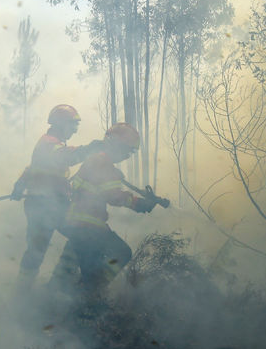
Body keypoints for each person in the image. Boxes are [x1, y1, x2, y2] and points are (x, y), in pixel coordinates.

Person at [49, 122, 158, 299]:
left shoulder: (98, 160)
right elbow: (113, 195)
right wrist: (139, 204)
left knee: (65, 268)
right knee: (121, 253)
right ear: (116, 145)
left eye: (129, 153)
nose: (125, 157)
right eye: (126, 151)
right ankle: (91, 297)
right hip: (89, 227)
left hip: (79, 224)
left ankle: (49, 300)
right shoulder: (102, 161)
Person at [10, 104, 102, 295]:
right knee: (71, 239)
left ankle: (34, 289)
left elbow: (34, 167)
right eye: (72, 125)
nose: (75, 130)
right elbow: (65, 157)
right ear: (60, 124)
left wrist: (20, 184)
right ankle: (40, 289)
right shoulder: (51, 143)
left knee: (39, 250)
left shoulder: (49, 142)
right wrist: (91, 149)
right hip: (44, 206)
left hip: (47, 205)